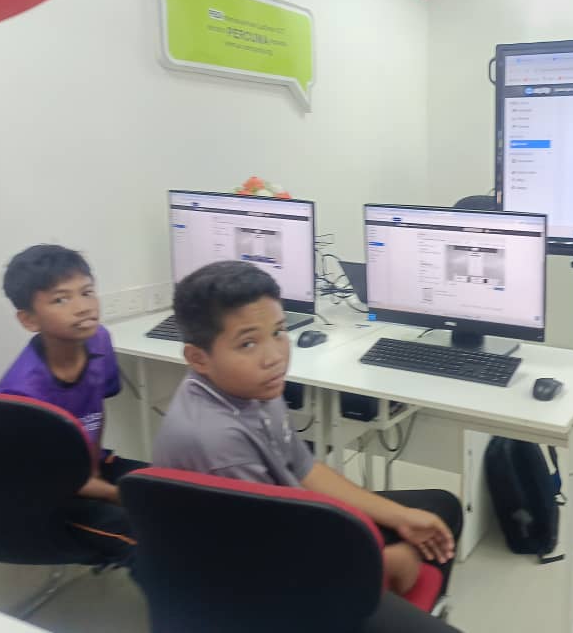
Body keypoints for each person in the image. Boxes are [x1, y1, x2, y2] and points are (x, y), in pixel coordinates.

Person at [153, 260, 463, 632]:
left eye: (278, 332)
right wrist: (382, 564)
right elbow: (273, 563)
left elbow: (304, 468)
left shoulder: (251, 386)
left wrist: (399, 518)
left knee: (439, 509)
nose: (274, 356)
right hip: (258, 591)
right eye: (248, 343)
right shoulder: (217, 444)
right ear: (198, 358)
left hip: (285, 531)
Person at [0, 245, 145, 564]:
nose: (83, 307)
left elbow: (96, 410)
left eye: (87, 292)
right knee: (142, 537)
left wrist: (95, 469)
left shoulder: (99, 339)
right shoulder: (23, 394)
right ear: (29, 319)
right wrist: (118, 495)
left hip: (84, 468)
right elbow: (46, 476)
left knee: (173, 488)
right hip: (45, 495)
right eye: (61, 300)